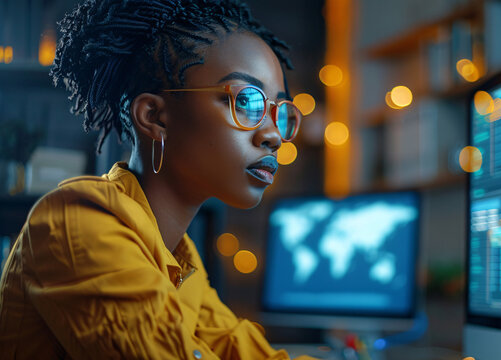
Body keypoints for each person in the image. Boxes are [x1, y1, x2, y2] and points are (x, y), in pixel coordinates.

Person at [0, 0, 312, 358]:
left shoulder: (180, 256)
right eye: (247, 102)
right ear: (155, 116)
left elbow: (240, 349)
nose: (273, 134)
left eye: (280, 111)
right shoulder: (76, 222)